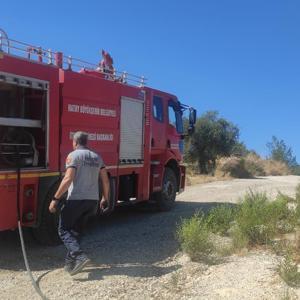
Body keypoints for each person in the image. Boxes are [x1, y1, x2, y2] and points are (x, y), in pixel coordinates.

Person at [49, 131, 110, 276]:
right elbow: (105, 180)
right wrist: (105, 198)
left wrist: (55, 199)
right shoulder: (97, 157)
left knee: (63, 229)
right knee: (76, 231)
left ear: (75, 142)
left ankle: (80, 256)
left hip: (76, 199)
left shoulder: (73, 156)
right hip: (92, 201)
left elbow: (68, 178)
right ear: (86, 142)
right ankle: (71, 264)